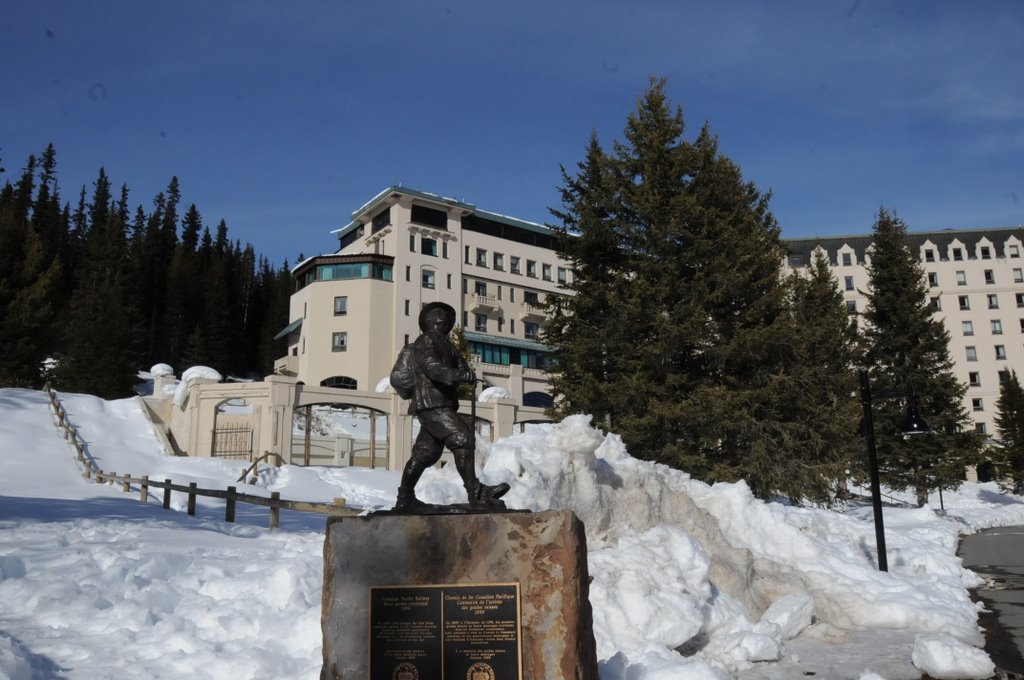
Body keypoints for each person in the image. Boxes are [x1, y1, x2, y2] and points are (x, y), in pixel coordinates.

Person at [391, 302, 509, 510]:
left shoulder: (448, 345)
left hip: (441, 403)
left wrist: (467, 375)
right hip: (431, 403)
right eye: (437, 314)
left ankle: (404, 499)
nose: (442, 318)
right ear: (427, 320)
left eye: (446, 315)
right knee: (463, 438)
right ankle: (476, 492)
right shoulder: (426, 340)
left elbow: (462, 367)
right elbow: (431, 365)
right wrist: (451, 376)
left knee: (424, 454)